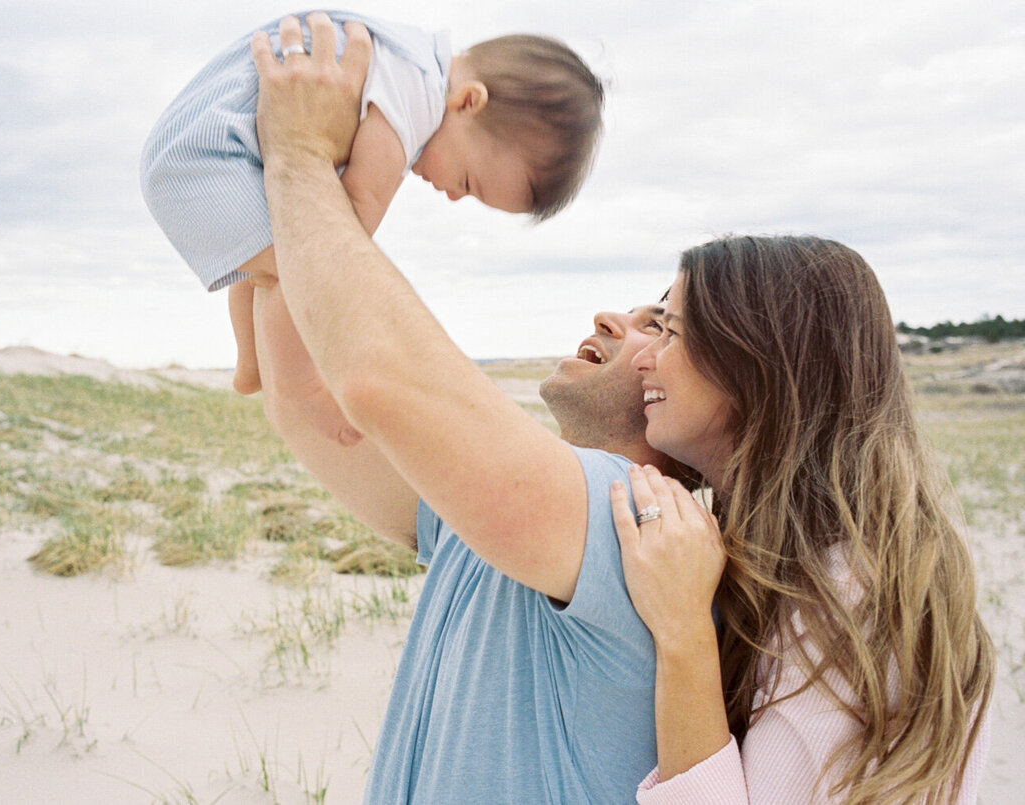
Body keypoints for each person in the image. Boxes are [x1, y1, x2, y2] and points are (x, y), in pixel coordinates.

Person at [244, 13, 670, 803]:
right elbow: (305, 398)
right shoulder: (500, 515)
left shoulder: (640, 529)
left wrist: (299, 157)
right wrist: (279, 244)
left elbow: (374, 376)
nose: (613, 317)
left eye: (661, 325)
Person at [607, 235, 994, 803]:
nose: (644, 358)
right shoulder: (804, 564)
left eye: (672, 332)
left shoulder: (848, 603)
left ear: (757, 362)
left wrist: (683, 631)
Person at [140, 11, 603, 444]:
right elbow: (349, 226)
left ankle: (250, 361)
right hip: (204, 161)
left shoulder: (407, 55)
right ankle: (304, 390)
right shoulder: (415, 97)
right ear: (469, 101)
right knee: (303, 265)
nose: (455, 196)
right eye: (468, 182)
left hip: (191, 146)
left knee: (273, 255)